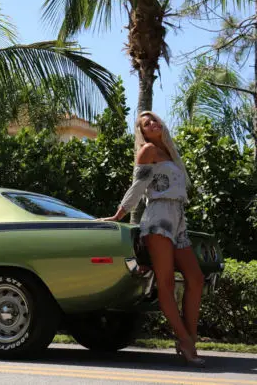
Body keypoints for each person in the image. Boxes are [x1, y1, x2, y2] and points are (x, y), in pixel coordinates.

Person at [99, 111, 205, 367]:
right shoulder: (147, 151)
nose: (153, 124)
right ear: (143, 133)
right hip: (158, 218)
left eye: (154, 120)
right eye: (146, 124)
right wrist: (119, 214)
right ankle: (186, 341)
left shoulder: (169, 151)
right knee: (166, 283)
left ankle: (188, 338)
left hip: (178, 218)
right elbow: (137, 187)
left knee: (196, 279)